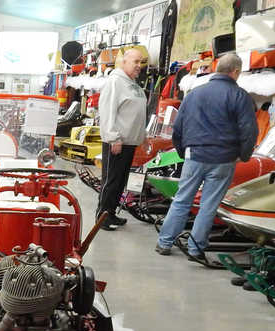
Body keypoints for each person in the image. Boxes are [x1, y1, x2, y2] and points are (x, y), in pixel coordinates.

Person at [155, 52, 257, 264]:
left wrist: (184, 152)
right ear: (235, 72)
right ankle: (195, 248)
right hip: (224, 159)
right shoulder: (240, 96)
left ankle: (165, 242)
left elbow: (178, 127)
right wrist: (244, 155)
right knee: (208, 205)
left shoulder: (194, 94)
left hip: (194, 155)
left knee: (182, 200)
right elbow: (249, 130)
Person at [96, 48, 147, 230]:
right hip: (117, 142)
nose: (139, 66)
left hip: (129, 142)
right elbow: (107, 111)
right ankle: (102, 217)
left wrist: (143, 136)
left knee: (120, 181)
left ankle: (111, 213)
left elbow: (137, 114)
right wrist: (112, 137)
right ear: (124, 62)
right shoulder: (116, 82)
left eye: (141, 62)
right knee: (111, 181)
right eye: (136, 62)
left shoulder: (132, 84)